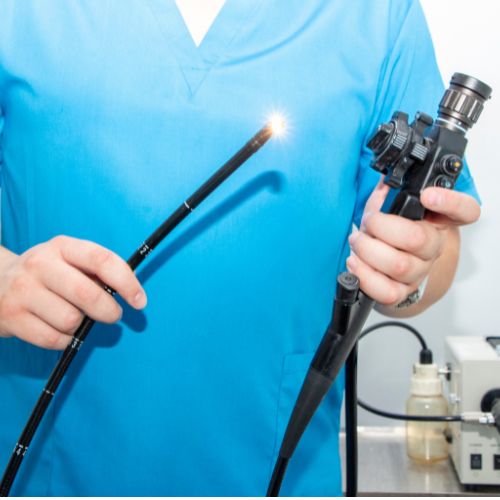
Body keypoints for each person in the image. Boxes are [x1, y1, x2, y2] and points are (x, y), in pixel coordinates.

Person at [0, 0, 481, 495]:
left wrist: (410, 271)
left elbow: (435, 243)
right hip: (46, 469)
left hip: (273, 467)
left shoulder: (377, 15)